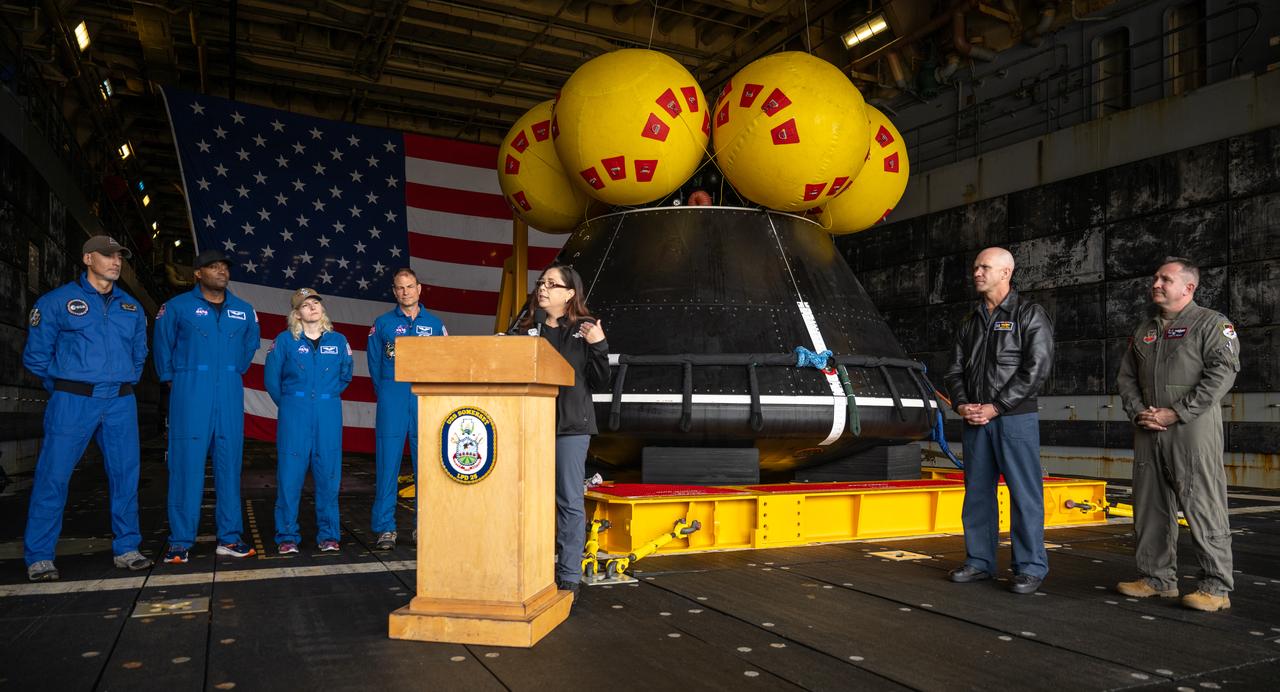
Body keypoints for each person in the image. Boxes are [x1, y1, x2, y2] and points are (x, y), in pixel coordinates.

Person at [22, 235, 153, 581]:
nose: (115, 261)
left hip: (120, 401)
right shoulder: (56, 302)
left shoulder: (131, 307)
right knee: (54, 475)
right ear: (87, 258)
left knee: (126, 476)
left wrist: (119, 382)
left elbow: (140, 355)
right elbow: (36, 357)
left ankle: (127, 548)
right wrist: (69, 386)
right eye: (107, 255)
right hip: (72, 401)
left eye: (119, 256)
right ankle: (39, 556)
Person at [1115, 257, 1239, 612]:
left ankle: (1216, 587)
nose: (1156, 283)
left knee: (1203, 503)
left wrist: (1178, 412)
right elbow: (1126, 377)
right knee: (1150, 506)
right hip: (1148, 429)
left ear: (1188, 287)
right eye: (1155, 277)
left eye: (1165, 279)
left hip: (1191, 430)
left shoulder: (1212, 324)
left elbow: (1222, 372)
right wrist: (1138, 411)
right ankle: (1156, 580)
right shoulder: (1145, 330)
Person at [943, 247, 1054, 594]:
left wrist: (996, 406)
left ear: (1006, 272)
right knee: (976, 493)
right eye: (975, 266)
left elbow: (1036, 370)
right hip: (975, 418)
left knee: (1024, 493)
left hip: (1014, 418)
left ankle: (1030, 567)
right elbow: (955, 369)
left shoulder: (1029, 314)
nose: (977, 272)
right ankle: (979, 562)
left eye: (985, 267)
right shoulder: (969, 320)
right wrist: (962, 405)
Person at [153, 249, 260, 564]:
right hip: (190, 390)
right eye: (213, 267)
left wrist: (231, 370)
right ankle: (180, 541)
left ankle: (229, 538)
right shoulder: (176, 307)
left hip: (228, 389)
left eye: (225, 267)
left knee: (230, 467)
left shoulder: (243, 310)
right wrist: (175, 379)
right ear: (197, 273)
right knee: (186, 466)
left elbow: (250, 344)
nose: (221, 272)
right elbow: (162, 345)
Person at [508, 264, 609, 597]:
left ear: (569, 294)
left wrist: (599, 347)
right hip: (531, 427)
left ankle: (568, 574)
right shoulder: (525, 330)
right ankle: (529, 568)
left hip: (569, 426)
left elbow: (599, 381)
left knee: (568, 501)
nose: (543, 288)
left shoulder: (584, 329)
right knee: (528, 499)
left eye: (552, 284)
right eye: (541, 282)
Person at [263, 288, 353, 555]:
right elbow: (271, 379)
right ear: (297, 314)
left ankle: (328, 535)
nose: (312, 307)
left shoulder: (338, 341)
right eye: (305, 305)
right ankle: (287, 536)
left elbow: (346, 375)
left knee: (328, 476)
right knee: (290, 477)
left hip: (327, 411)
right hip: (295, 412)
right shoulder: (285, 341)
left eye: (316, 303)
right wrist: (292, 404)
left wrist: (323, 397)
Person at [367, 268, 447, 551]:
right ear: (394, 291)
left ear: (419, 288)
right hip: (393, 396)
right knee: (387, 464)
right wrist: (388, 392)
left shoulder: (436, 325)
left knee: (426, 466)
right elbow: (374, 365)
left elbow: (445, 363)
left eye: (410, 286)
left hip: (424, 398)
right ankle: (385, 528)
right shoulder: (383, 323)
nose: (405, 292)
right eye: (400, 288)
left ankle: (423, 527)